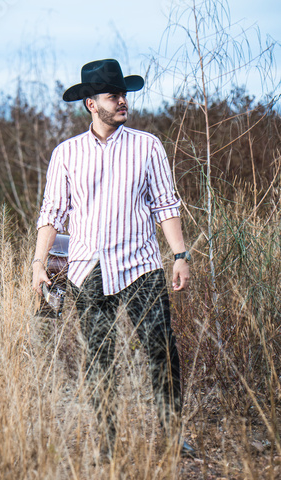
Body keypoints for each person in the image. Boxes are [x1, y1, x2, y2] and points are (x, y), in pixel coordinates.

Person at [32, 59, 195, 458]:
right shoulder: (66, 153)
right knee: (100, 357)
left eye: (124, 94)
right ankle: (106, 443)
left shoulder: (148, 146)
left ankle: (174, 435)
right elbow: (52, 213)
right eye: (113, 95)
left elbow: (165, 204)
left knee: (162, 350)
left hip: (141, 266)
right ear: (91, 103)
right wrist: (39, 263)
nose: (123, 101)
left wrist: (180, 254)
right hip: (88, 270)